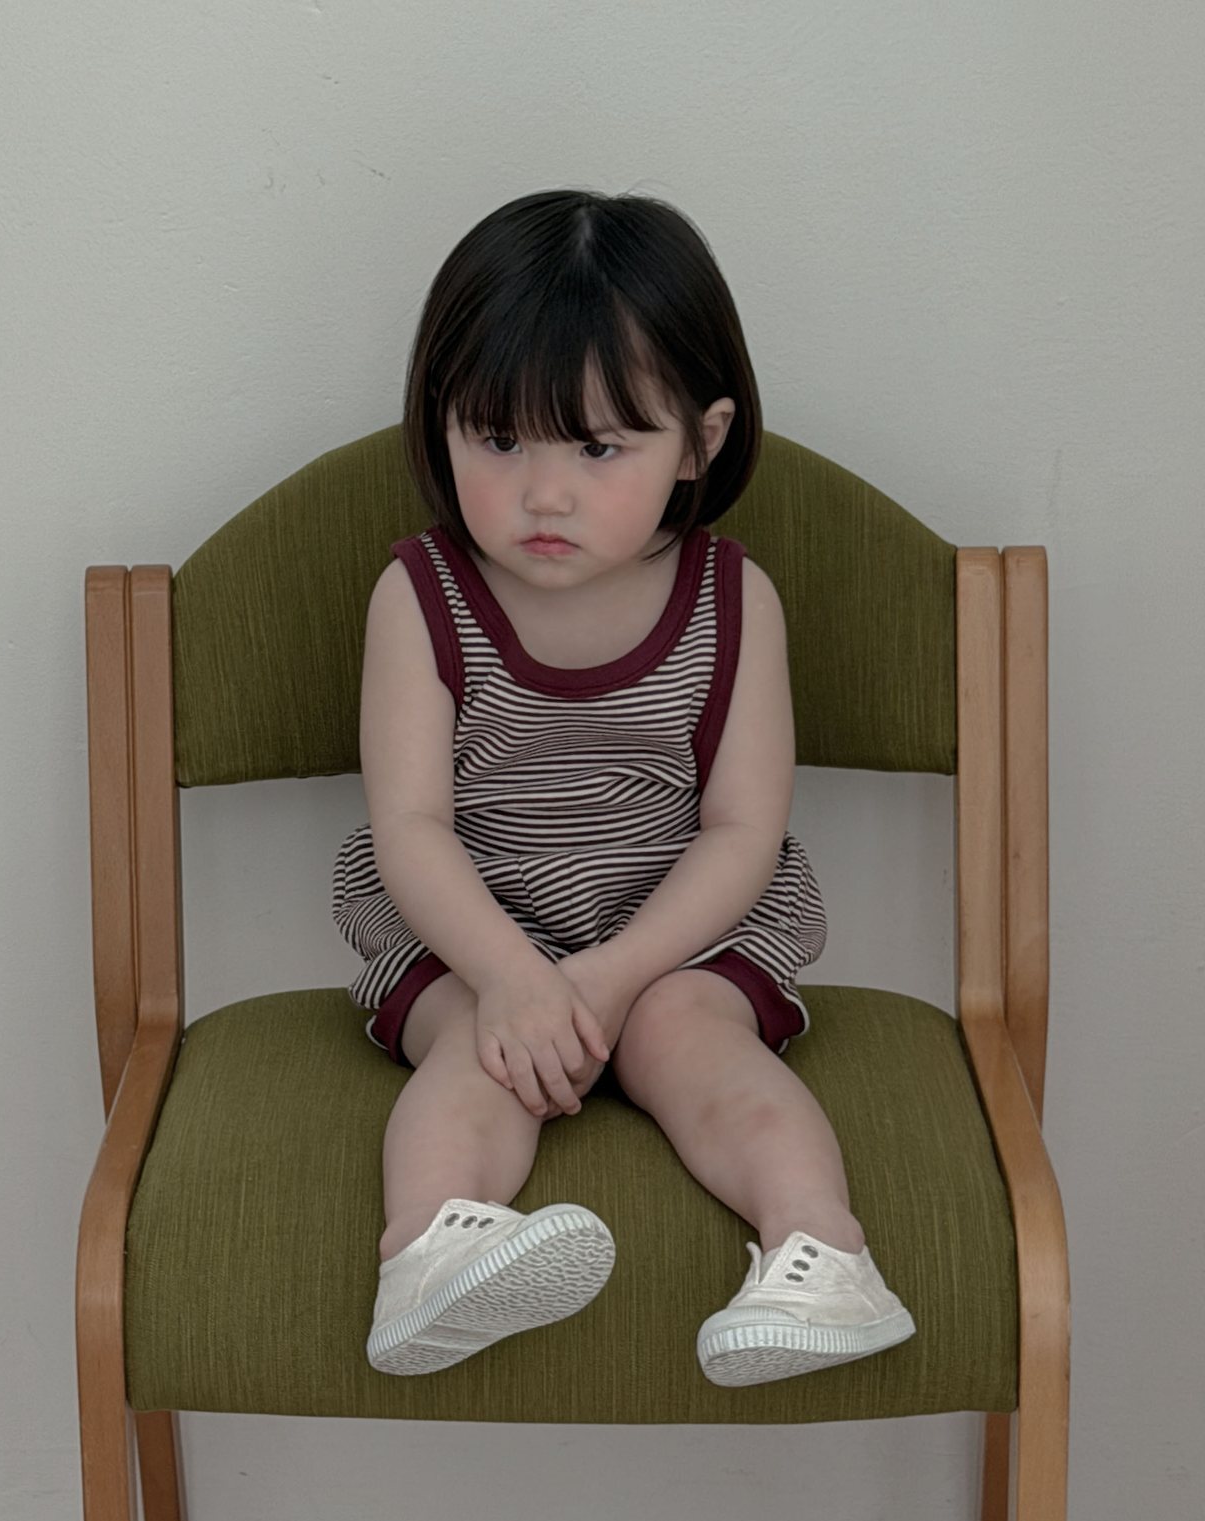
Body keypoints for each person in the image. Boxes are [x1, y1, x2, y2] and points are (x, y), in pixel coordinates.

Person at [333, 188, 915, 1385]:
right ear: (438, 422)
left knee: (698, 1048)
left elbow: (741, 831)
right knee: (476, 1057)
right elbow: (411, 826)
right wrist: (513, 977)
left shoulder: (732, 599)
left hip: (674, 936)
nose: (542, 495)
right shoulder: (420, 596)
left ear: (699, 441)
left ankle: (821, 1254)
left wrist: (610, 975)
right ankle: (428, 1255)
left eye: (597, 449)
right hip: (474, 929)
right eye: (498, 441)